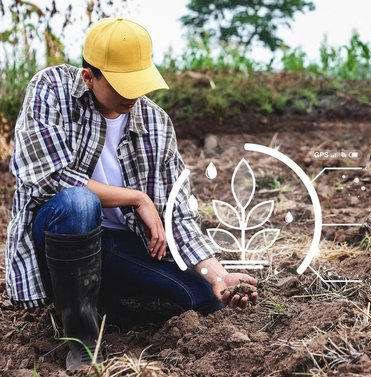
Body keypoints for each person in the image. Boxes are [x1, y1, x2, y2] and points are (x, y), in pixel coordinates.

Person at [5, 17, 258, 371]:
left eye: (138, 83)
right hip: (61, 235)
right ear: (88, 77)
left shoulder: (156, 123)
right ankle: (81, 337)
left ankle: (103, 302)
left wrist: (217, 275)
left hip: (117, 246)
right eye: (121, 85)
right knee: (80, 203)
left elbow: (176, 212)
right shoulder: (51, 89)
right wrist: (136, 197)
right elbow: (48, 176)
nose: (132, 96)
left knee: (203, 298)